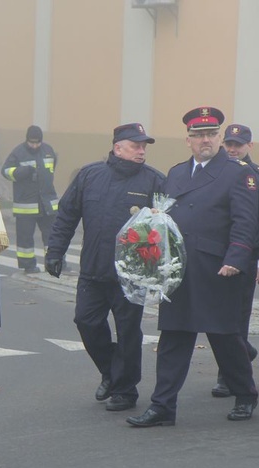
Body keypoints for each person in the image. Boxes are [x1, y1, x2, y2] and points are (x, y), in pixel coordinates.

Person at [127, 107, 259, 428]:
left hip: (216, 270)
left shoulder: (237, 172)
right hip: (179, 270)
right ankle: (163, 406)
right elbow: (163, 218)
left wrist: (235, 259)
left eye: (211, 134)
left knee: (225, 339)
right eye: (199, 135)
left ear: (220, 137)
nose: (205, 140)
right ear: (188, 140)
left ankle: (245, 394)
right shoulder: (175, 173)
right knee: (173, 338)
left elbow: (245, 223)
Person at [45, 123, 165, 410]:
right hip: (93, 269)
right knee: (85, 322)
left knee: (128, 332)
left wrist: (158, 268)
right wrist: (55, 251)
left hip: (131, 275)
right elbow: (67, 215)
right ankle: (111, 370)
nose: (141, 150)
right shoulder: (90, 175)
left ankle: (125, 390)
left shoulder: (154, 181)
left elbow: (168, 229)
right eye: (135, 145)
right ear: (117, 147)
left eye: (144, 146)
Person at [209, 124, 259, 397]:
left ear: (250, 147)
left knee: (236, 319)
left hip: (245, 257)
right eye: (229, 143)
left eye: (239, 144)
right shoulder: (215, 171)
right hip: (214, 256)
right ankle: (243, 352)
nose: (233, 148)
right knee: (213, 316)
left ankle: (228, 376)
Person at [1, 125, 61, 273]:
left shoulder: (48, 150)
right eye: (31, 142)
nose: (34, 145)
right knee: (25, 239)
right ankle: (28, 265)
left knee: (53, 236)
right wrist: (22, 171)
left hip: (47, 203)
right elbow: (5, 171)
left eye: (37, 143)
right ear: (26, 140)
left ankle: (54, 263)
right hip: (26, 205)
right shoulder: (18, 152)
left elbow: (51, 169)